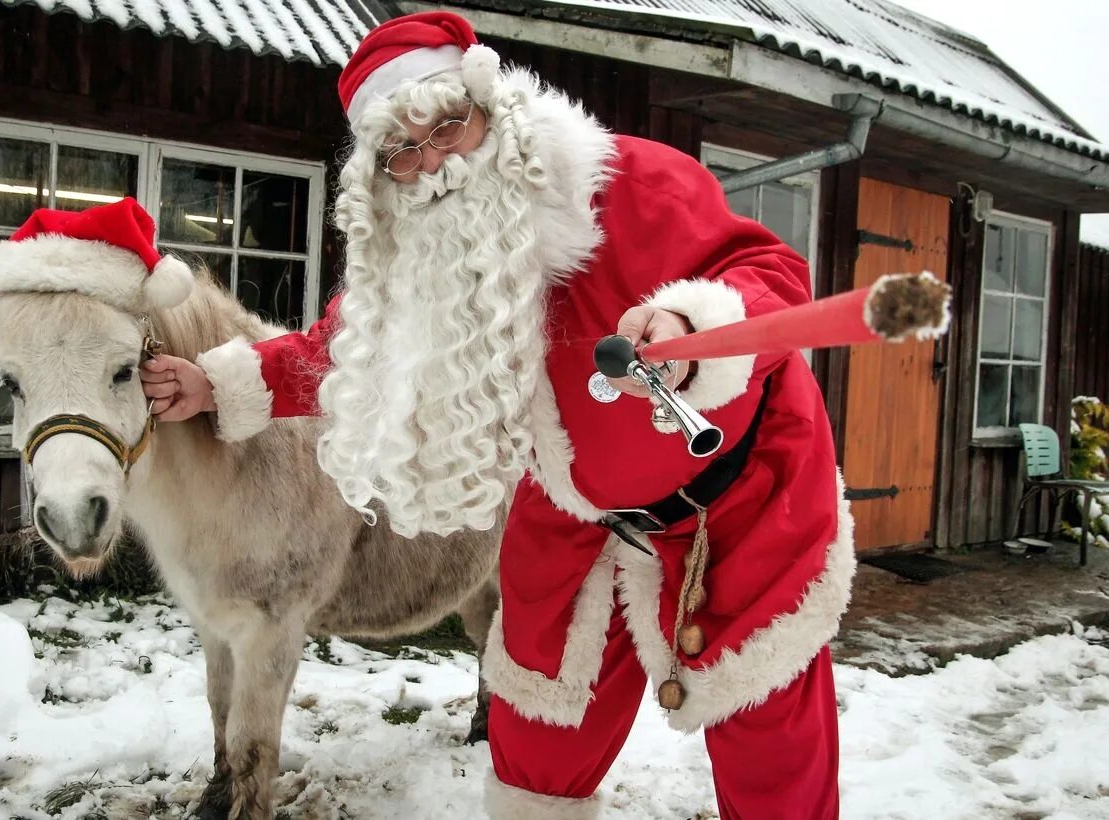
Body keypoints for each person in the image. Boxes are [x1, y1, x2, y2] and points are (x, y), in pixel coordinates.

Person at [141, 10, 854, 819]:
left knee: (769, 736)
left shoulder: (630, 182)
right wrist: (219, 387)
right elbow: (342, 351)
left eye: (449, 125)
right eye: (404, 153)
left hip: (741, 491)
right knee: (536, 726)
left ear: (495, 109)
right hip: (575, 508)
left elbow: (770, 270)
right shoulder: (418, 257)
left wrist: (695, 329)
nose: (436, 162)